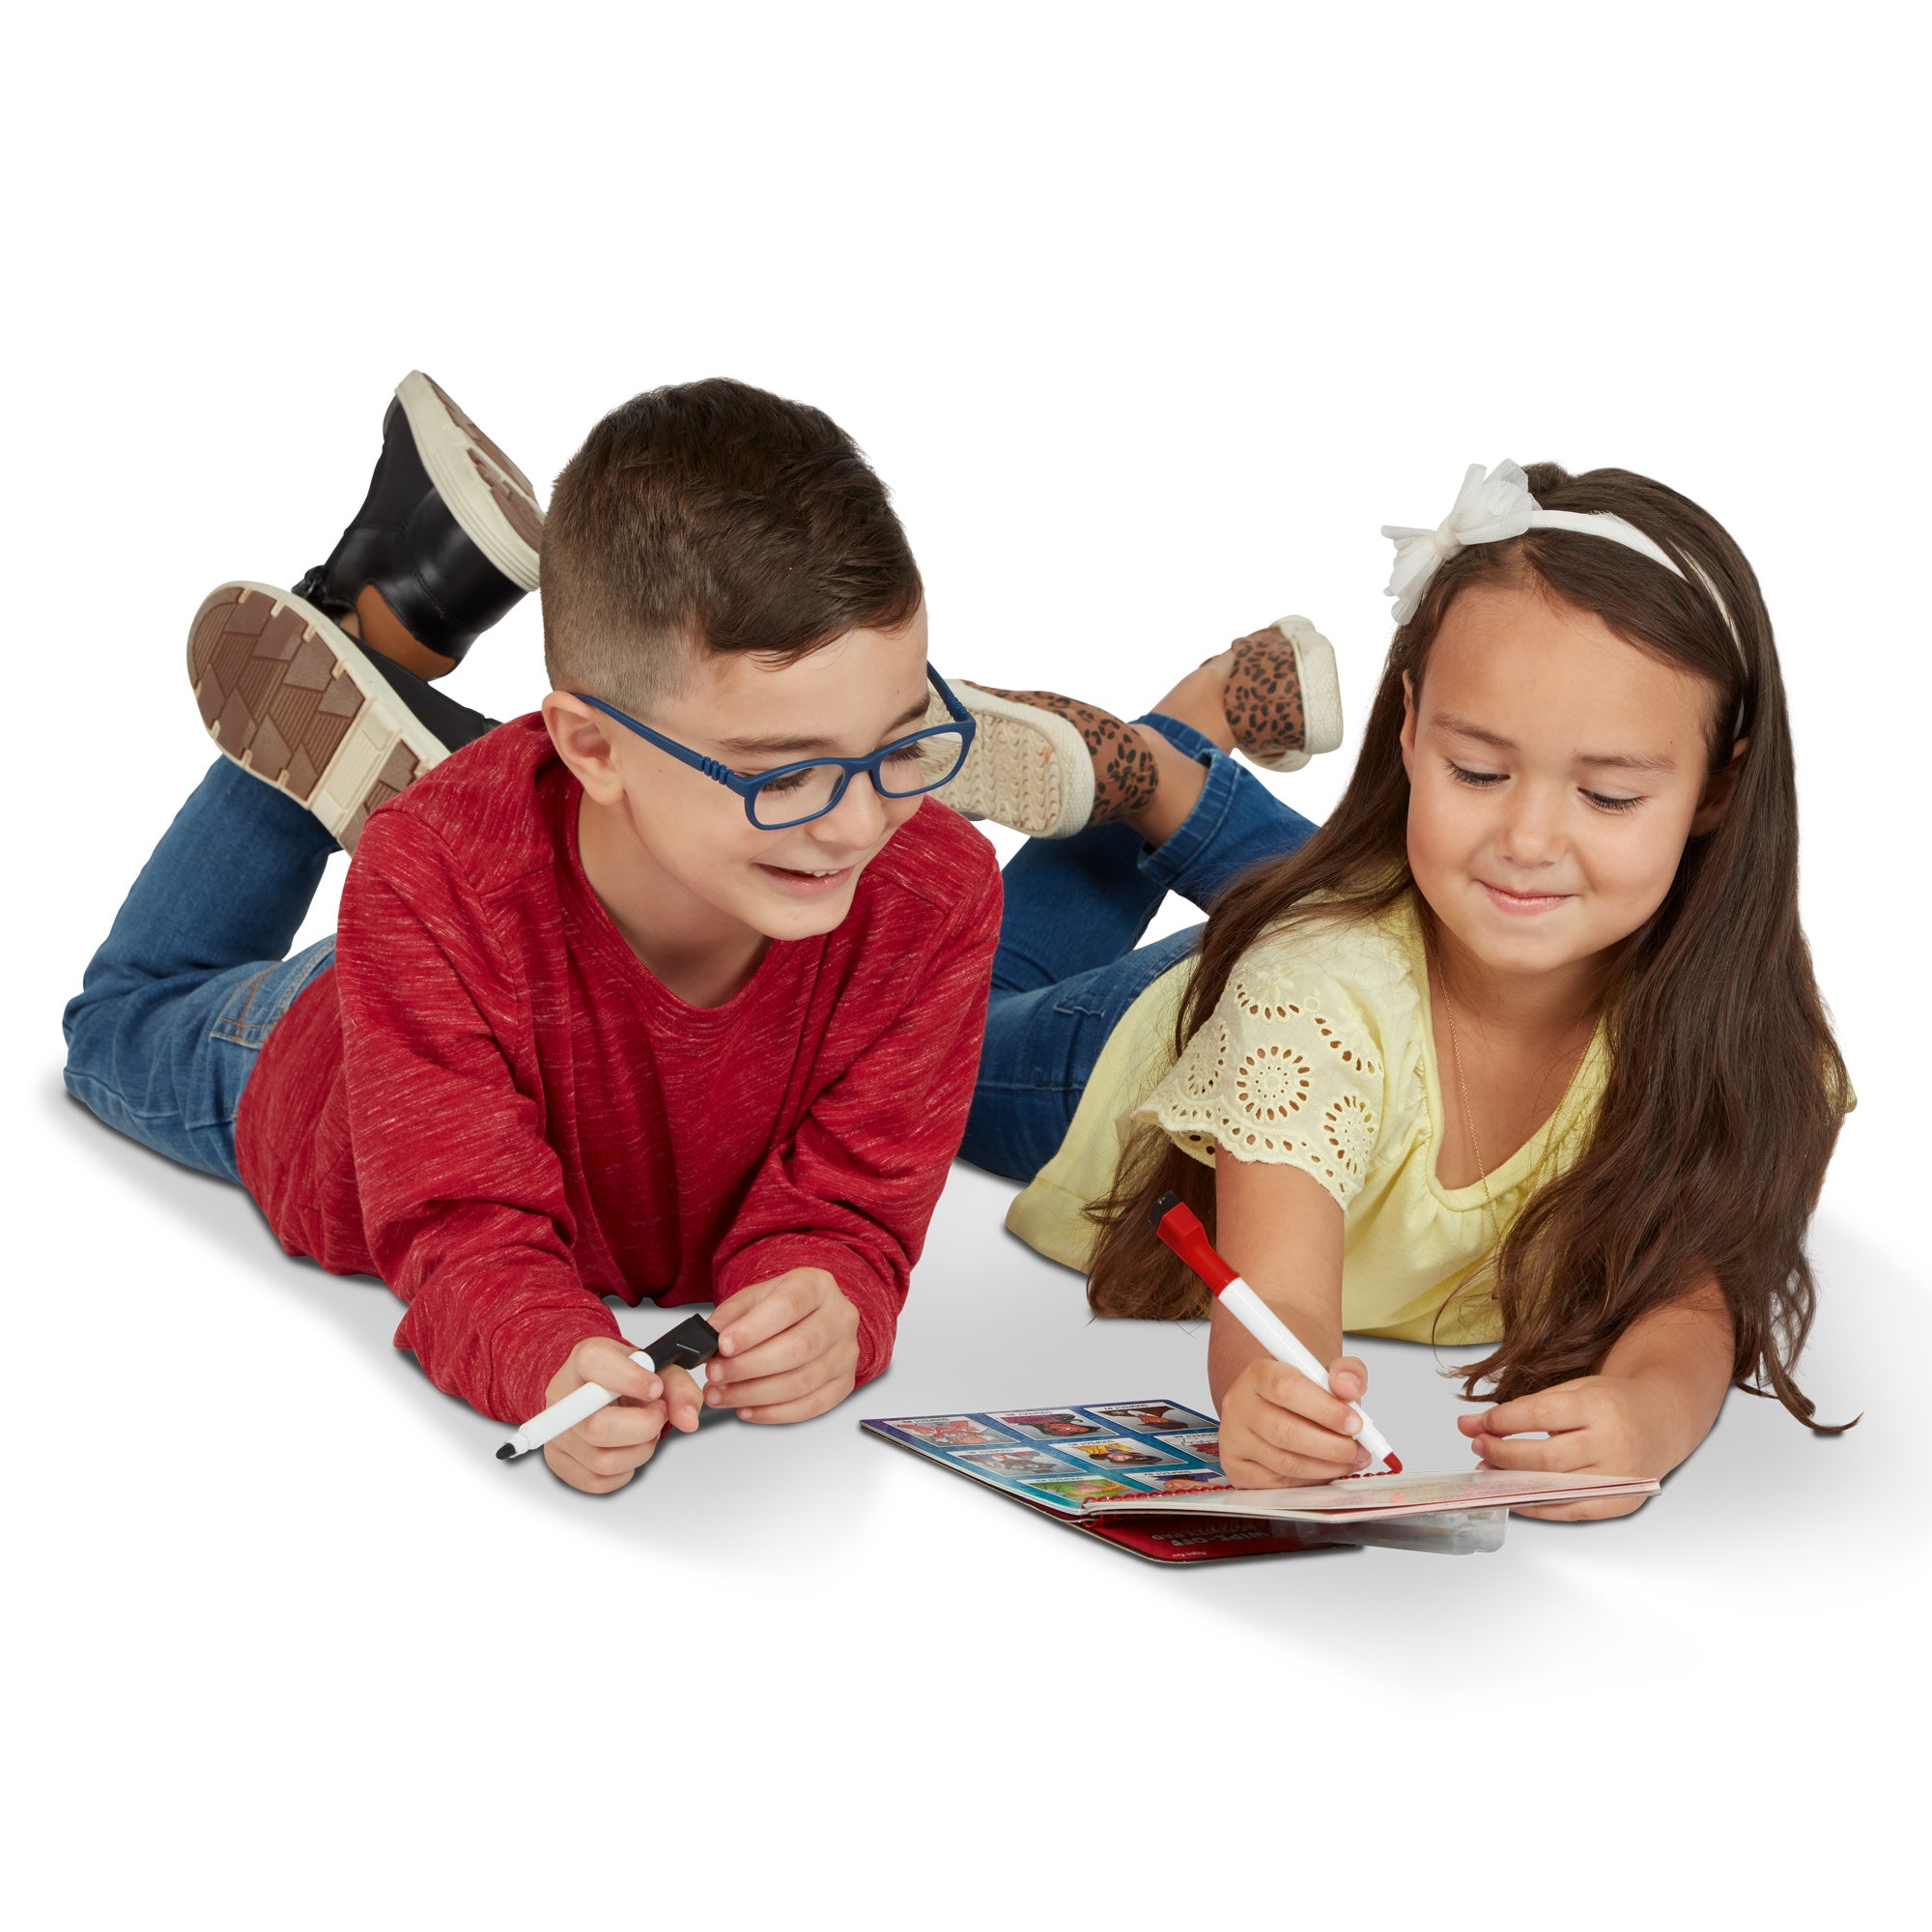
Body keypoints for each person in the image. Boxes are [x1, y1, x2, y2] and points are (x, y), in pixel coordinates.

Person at [63, 372, 1001, 1493]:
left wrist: (830, 1293)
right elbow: (461, 1223)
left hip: (486, 947)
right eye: (784, 774)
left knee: (453, 872)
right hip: (341, 1055)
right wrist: (543, 1350)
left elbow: (854, 1197)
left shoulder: (937, 888)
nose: (858, 826)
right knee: (120, 1020)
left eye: (900, 744)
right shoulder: (430, 881)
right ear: (593, 748)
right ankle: (357, 624)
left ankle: (402, 642)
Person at [948, 460, 1850, 1520]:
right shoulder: (1305, 1002)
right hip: (1122, 1059)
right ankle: (1170, 746)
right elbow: (1279, 1294)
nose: (1529, 838)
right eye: (1478, 771)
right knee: (959, 1019)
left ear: (1718, 787)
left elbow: (1698, 1288)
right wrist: (1271, 1389)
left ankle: (1173, 757)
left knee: (1396, 888)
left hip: (1363, 935)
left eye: (1607, 795)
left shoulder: (1734, 1026)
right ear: (1411, 729)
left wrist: (1650, 1414)